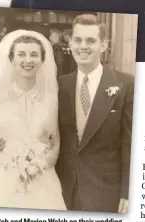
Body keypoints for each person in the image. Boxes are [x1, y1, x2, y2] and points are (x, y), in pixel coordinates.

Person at [0, 30, 66, 210]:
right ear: (11, 59)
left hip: (41, 177)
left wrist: (40, 164)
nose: (28, 60)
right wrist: (11, 165)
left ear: (42, 61)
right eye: (21, 54)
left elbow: (55, 142)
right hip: (0, 172)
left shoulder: (51, 99)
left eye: (34, 55)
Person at [56, 14, 133, 213]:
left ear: (103, 45)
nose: (83, 46)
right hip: (66, 189)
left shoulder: (126, 84)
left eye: (90, 41)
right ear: (71, 43)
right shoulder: (60, 84)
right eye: (78, 40)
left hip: (107, 191)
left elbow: (130, 142)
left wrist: (128, 190)